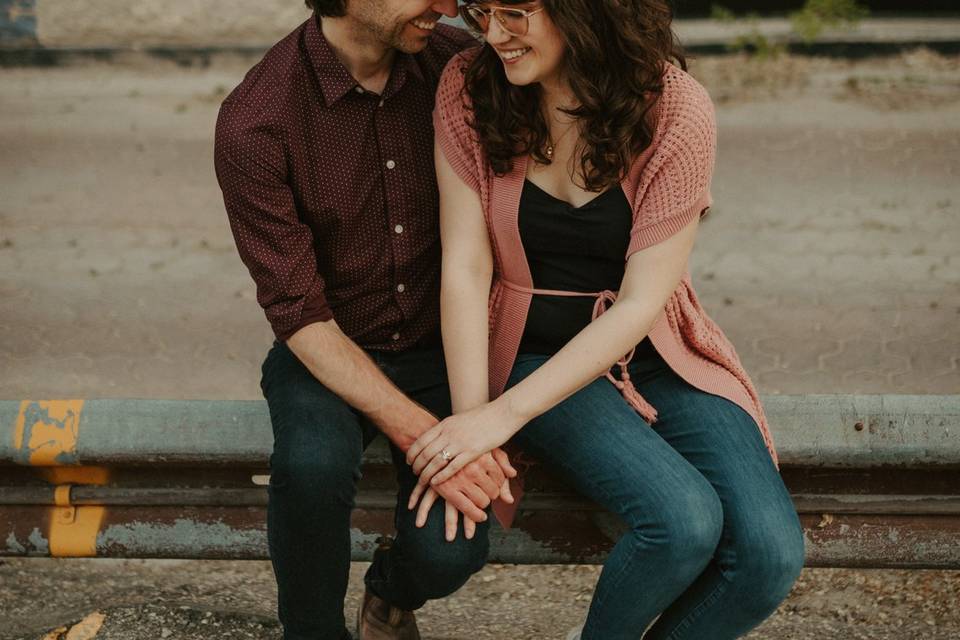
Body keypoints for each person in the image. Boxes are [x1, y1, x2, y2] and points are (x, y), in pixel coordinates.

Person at [405, 1, 807, 638]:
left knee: (769, 556)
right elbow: (465, 266)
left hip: (656, 349)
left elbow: (646, 300)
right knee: (681, 523)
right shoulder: (469, 86)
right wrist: (473, 419)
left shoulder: (675, 108)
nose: (493, 34)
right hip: (528, 354)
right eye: (480, 11)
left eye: (514, 11)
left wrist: (497, 420)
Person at [213, 2, 517, 639]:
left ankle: (389, 590)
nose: (444, 2)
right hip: (328, 345)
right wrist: (424, 437)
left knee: (450, 549)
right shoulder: (256, 121)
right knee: (311, 468)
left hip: (449, 347)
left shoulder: (464, 67)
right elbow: (299, 314)